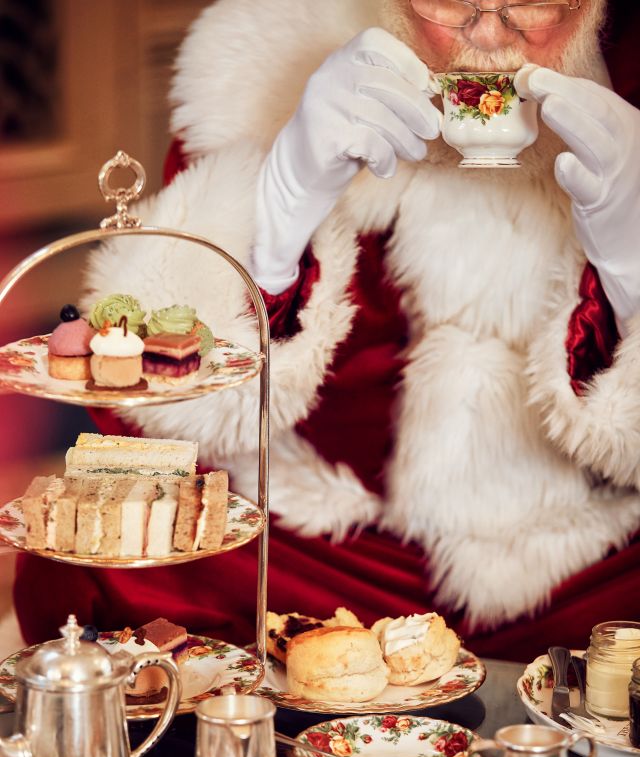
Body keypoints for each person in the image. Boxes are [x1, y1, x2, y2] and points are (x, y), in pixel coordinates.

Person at [14, 0, 640, 660]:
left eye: (533, 5)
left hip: (581, 558)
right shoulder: (264, 53)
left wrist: (632, 260)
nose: (486, 35)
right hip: (322, 552)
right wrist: (282, 197)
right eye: (451, 3)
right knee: (91, 561)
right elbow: (159, 395)